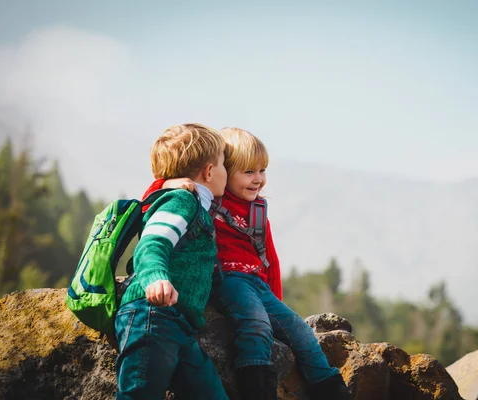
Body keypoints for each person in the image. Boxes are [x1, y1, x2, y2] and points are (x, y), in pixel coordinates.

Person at [143, 127, 351, 400]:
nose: (259, 180)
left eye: (262, 170)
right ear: (222, 172)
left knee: (300, 331)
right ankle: (257, 388)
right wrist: (169, 183)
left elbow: (270, 260)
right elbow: (151, 201)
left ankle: (331, 389)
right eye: (249, 172)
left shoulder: (258, 211)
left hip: (258, 284)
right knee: (255, 324)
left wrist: (276, 298)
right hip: (227, 280)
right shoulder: (208, 199)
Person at [115, 123, 229, 400]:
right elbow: (152, 244)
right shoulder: (181, 201)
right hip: (151, 315)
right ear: (210, 171)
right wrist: (155, 277)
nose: (227, 171)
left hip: (179, 325)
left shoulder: (197, 206)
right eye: (225, 164)